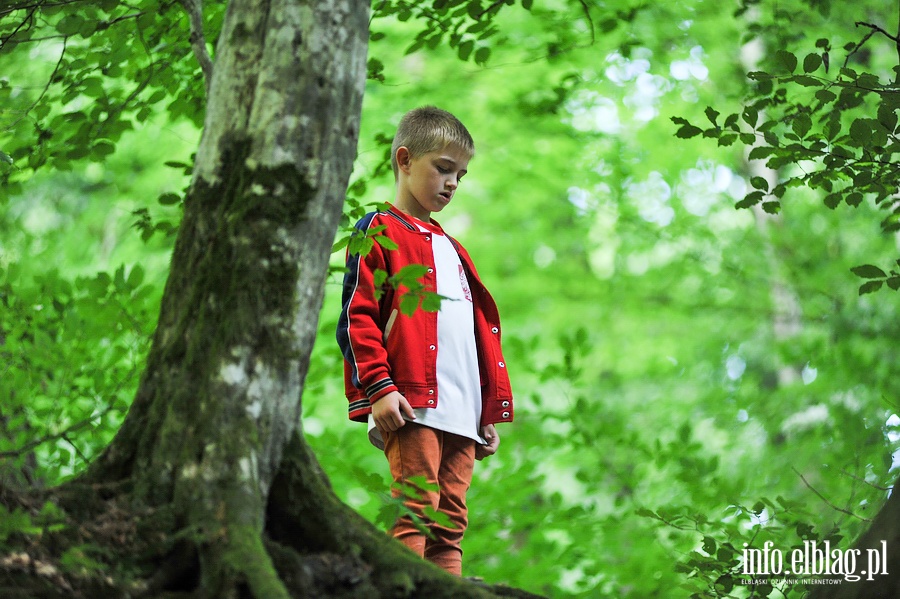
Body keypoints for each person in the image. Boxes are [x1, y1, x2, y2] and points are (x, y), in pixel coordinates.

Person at [336, 106, 514, 576]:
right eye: (443, 167)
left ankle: (445, 588)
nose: (453, 182)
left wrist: (487, 408)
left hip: (464, 409)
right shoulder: (379, 230)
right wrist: (378, 387)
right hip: (412, 400)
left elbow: (473, 336)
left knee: (452, 517)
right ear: (405, 159)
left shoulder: (454, 249)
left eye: (461, 174)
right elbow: (358, 316)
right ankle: (405, 586)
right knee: (417, 503)